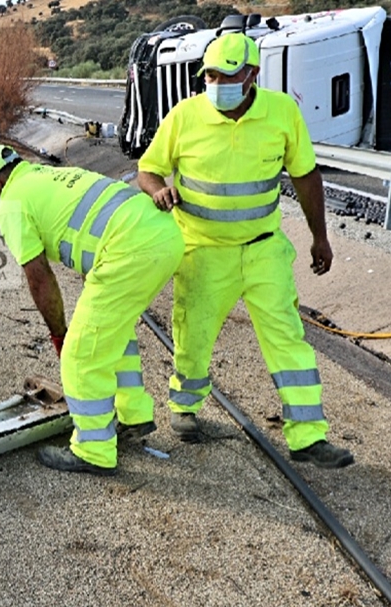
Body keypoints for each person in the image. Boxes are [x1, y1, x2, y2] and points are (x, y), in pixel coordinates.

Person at [136, 33, 354, 468]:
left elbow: (306, 175)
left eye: (227, 75)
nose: (217, 83)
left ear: (252, 74)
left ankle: (308, 435)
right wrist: (159, 190)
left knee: (288, 338)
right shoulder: (185, 116)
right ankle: (185, 406)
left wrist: (320, 236)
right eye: (211, 75)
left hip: (263, 249)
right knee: (192, 334)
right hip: (203, 250)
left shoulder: (282, 113)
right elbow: (148, 169)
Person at [0, 145, 184, 475]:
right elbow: (88, 223)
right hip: (164, 235)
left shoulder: (12, 203)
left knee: (81, 354)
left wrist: (59, 334)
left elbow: (39, 278)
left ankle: (93, 450)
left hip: (130, 249)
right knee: (115, 333)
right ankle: (134, 416)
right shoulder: (48, 174)